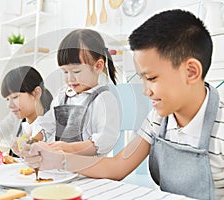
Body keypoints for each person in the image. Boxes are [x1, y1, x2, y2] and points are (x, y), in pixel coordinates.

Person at [20, 10, 224, 200]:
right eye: (142, 79)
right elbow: (118, 166)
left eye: (152, 78)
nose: (146, 91)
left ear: (191, 72)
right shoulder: (158, 118)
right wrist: (58, 159)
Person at [13, 29, 121, 157]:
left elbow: (104, 141)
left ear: (97, 66)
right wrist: (32, 141)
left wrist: (68, 148)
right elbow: (47, 125)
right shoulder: (62, 97)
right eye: (65, 72)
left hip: (92, 171)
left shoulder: (103, 99)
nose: (70, 79)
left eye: (76, 72)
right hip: (63, 167)